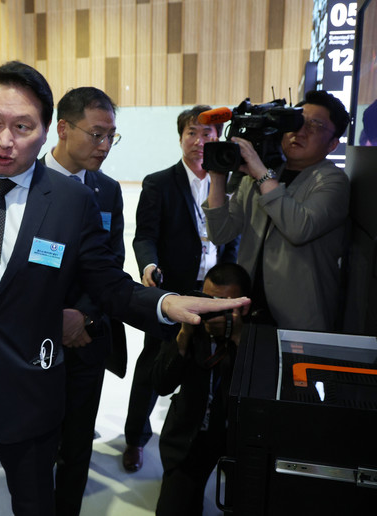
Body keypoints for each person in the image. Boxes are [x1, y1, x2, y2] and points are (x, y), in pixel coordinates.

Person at [0, 60, 250, 516]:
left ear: (48, 130)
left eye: (22, 127)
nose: (4, 140)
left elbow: (107, 282)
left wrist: (165, 303)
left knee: (35, 503)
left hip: (29, 389)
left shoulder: (71, 200)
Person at [123, 105, 240, 473]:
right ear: (180, 138)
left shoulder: (231, 184)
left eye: (206, 134)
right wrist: (149, 265)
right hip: (172, 291)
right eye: (191, 133)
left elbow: (232, 239)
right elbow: (145, 236)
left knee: (211, 367)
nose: (199, 141)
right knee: (152, 365)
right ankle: (135, 438)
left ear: (217, 139)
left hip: (215, 293)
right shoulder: (159, 183)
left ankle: (204, 439)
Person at [39, 86, 126, 516]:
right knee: (36, 444)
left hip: (88, 338)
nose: (104, 145)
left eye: (111, 136)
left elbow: (112, 262)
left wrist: (83, 317)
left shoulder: (107, 190)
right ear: (63, 128)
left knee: (76, 445)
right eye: (96, 135)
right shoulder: (25, 182)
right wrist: (52, 318)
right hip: (34, 339)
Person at [204, 90, 350, 331]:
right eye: (296, 122)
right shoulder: (262, 174)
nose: (299, 132)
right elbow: (220, 233)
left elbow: (298, 228)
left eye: (314, 126)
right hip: (249, 310)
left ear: (333, 144)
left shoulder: (333, 181)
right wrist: (218, 175)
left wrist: (261, 174)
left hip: (299, 318)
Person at [152, 263, 251, 516]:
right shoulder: (189, 320)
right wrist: (184, 334)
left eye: (223, 305)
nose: (212, 310)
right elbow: (161, 385)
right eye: (208, 301)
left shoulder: (256, 332)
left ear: (243, 306)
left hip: (238, 440)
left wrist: (238, 337)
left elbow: (256, 399)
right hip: (189, 436)